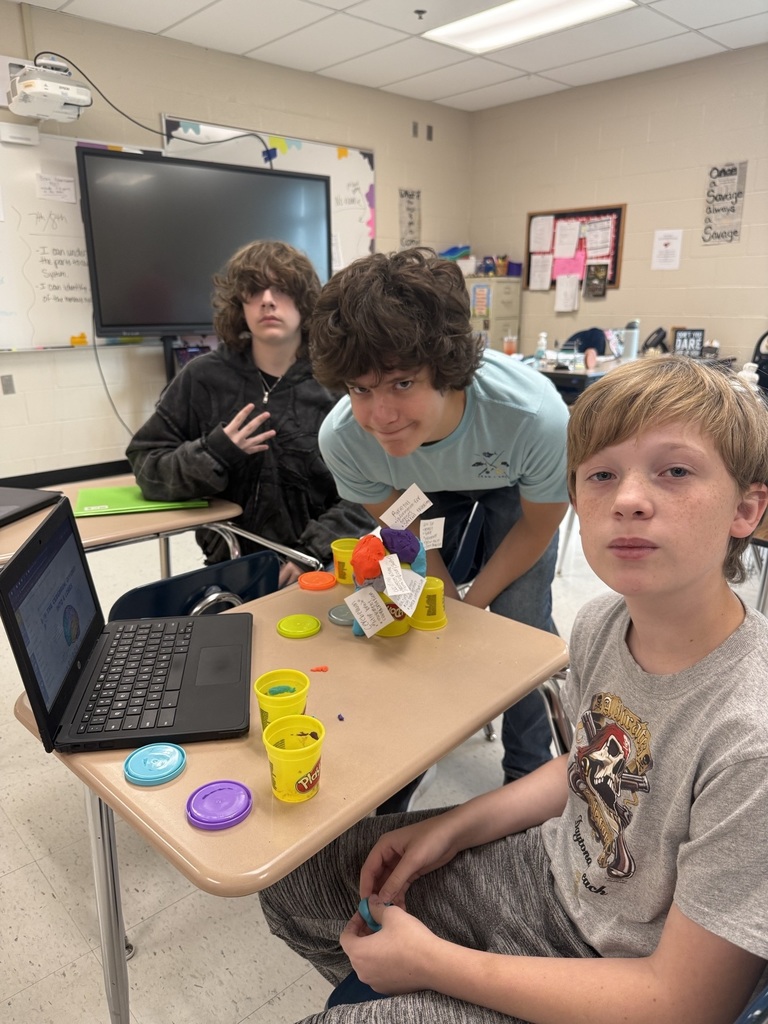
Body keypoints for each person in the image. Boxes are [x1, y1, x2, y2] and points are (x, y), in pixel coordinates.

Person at [259, 355, 768, 1023]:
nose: (629, 499)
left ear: (748, 508)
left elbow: (684, 1003)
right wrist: (452, 826)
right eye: (601, 475)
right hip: (550, 876)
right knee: (295, 880)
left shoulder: (749, 738)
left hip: (619, 970)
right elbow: (589, 766)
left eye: (675, 471)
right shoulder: (600, 623)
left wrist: (436, 966)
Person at [309, 247, 570, 785]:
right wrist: (440, 585)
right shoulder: (345, 439)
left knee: (520, 618)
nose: (380, 415)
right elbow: (401, 522)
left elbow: (538, 525)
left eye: (402, 383)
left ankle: (527, 772)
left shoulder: (535, 418)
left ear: (446, 371)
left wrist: (474, 604)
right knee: (409, 598)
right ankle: (408, 755)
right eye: (360, 389)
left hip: (508, 482)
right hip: (418, 491)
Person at [127, 240, 372, 586]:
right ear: (239, 304)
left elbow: (371, 489)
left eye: (282, 289)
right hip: (228, 570)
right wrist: (214, 453)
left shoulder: (336, 384)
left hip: (318, 567)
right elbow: (147, 466)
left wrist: (312, 552)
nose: (267, 300)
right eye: (254, 290)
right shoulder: (203, 378)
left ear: (305, 302)